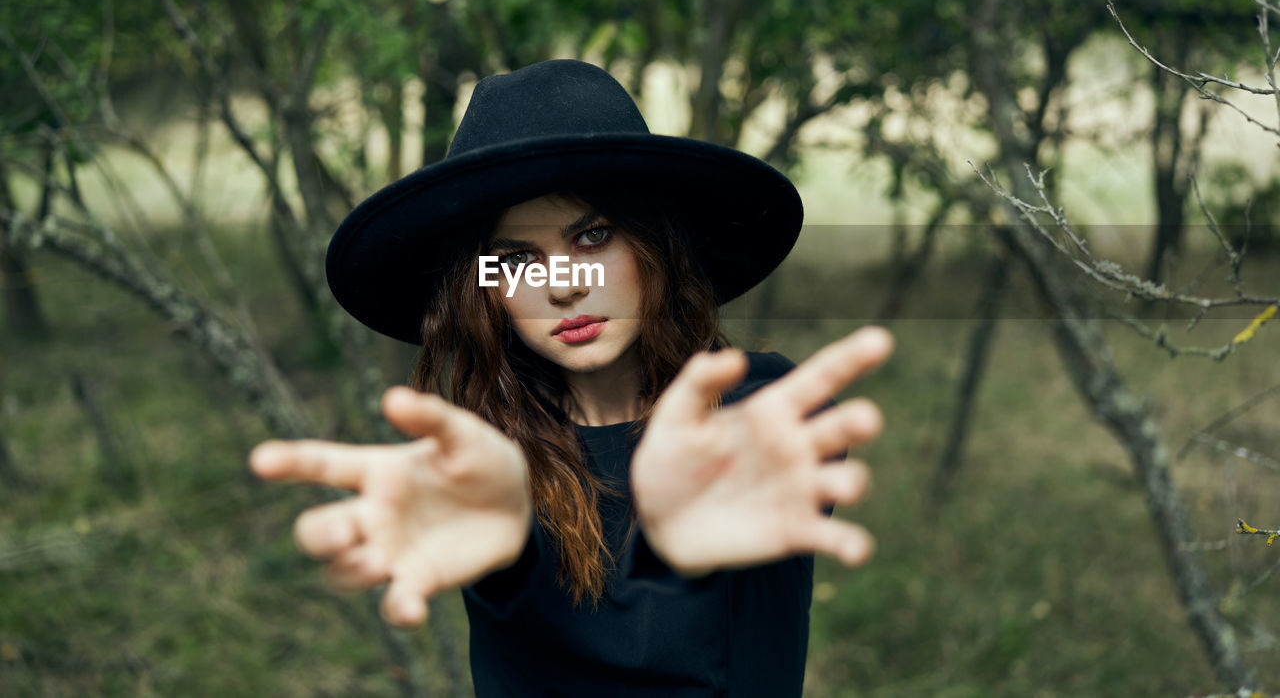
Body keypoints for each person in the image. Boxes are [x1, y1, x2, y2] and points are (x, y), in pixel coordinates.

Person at [249, 59, 892, 697]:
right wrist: (511, 538)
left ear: (655, 247)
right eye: (516, 259)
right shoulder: (485, 463)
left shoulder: (760, 406)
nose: (562, 286)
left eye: (592, 237)